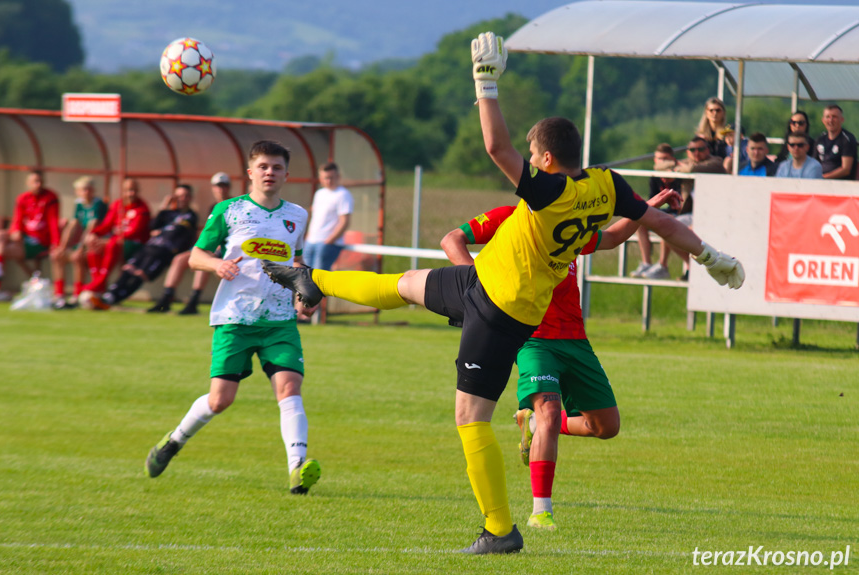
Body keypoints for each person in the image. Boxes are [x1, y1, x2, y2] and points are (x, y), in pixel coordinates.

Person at [262, 32, 744, 554]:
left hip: (499, 312)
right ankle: (315, 280)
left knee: (470, 419)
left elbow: (496, 147)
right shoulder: (605, 187)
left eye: (534, 157)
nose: (529, 164)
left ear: (545, 158)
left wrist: (485, 81)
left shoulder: (549, 192)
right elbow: (656, 222)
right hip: (480, 285)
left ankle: (500, 530)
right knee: (402, 285)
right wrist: (712, 258)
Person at [441, 188, 680, 530]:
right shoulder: (508, 216)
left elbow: (611, 237)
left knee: (606, 427)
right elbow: (452, 240)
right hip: (531, 337)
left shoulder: (566, 225)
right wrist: (484, 287)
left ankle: (535, 425)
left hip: (575, 339)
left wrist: (647, 207)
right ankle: (541, 512)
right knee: (550, 409)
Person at [144, 141, 322, 497]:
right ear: (250, 172)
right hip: (234, 319)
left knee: (289, 388)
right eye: (263, 166)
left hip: (279, 321)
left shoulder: (298, 215)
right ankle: (173, 441)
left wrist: (307, 291)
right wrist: (217, 264)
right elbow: (195, 255)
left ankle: (297, 470)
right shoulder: (229, 210)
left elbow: (296, 261)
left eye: (276, 167)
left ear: (287, 174)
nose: (269, 172)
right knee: (220, 400)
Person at [87, 184, 199, 310]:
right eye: (178, 196)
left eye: (185, 196)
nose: (182, 199)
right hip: (149, 247)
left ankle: (112, 299)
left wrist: (162, 232)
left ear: (190, 198)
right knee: (128, 268)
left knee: (140, 273)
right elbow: (152, 226)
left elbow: (180, 233)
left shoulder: (191, 216)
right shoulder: (167, 213)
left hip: (164, 251)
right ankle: (108, 296)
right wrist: (164, 206)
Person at [148, 172, 232, 315]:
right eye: (218, 186)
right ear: (213, 188)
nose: (221, 189)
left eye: (224, 186)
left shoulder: (234, 206)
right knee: (179, 259)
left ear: (229, 188)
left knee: (204, 261)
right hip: (211, 247)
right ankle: (167, 297)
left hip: (225, 249)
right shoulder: (213, 207)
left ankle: (194, 300)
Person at [643, 136, 725, 280]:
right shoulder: (685, 163)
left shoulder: (716, 162)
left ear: (708, 150)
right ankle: (690, 267)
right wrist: (677, 165)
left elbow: (694, 168)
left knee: (686, 231)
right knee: (666, 226)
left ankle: (687, 268)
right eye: (692, 150)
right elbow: (658, 166)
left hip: (713, 213)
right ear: (687, 152)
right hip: (691, 213)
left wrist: (677, 167)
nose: (696, 153)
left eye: (700, 149)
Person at [0, 170, 61, 301]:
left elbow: (53, 221)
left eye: (40, 181)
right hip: (24, 240)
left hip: (40, 242)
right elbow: (17, 220)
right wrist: (16, 231)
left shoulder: (50, 197)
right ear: (28, 183)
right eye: (35, 182)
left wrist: (56, 243)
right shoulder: (23, 198)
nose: (38, 184)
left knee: (0, 250)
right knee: (0, 235)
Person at [80, 178, 150, 298]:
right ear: (123, 191)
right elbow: (107, 225)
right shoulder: (117, 204)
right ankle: (98, 285)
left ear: (138, 191)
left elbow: (134, 232)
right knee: (93, 244)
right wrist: (94, 234)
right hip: (117, 241)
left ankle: (100, 282)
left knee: (111, 244)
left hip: (133, 244)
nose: (130, 193)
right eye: (128, 190)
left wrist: (110, 239)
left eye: (133, 190)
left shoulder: (142, 208)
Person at [51, 176, 109, 309]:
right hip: (84, 242)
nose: (86, 192)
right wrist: (62, 246)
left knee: (77, 257)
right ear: (77, 192)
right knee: (57, 255)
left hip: (96, 243)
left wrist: (80, 248)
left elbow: (92, 228)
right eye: (83, 190)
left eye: (88, 189)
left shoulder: (98, 204)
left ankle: (77, 294)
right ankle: (59, 293)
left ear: (93, 190)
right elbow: (73, 225)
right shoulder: (79, 204)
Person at [630, 144, 681, 278]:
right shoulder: (654, 176)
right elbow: (653, 200)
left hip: (676, 213)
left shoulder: (680, 176)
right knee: (638, 221)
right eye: (659, 159)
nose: (662, 162)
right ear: (654, 160)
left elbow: (682, 202)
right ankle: (646, 264)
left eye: (665, 159)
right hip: (661, 212)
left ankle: (662, 266)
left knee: (666, 221)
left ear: (673, 160)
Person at [303, 162, 353, 271]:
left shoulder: (343, 194)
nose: (328, 181)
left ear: (338, 177)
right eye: (325, 178)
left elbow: (344, 222)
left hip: (327, 243)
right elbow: (315, 218)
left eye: (331, 178)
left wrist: (330, 240)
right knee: (304, 276)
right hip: (311, 241)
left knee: (319, 278)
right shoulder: (319, 193)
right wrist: (308, 237)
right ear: (320, 178)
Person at [814, 104, 857, 180]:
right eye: (827, 117)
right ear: (823, 120)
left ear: (842, 120)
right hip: (820, 183)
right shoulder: (820, 139)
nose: (830, 120)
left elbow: (846, 169)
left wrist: (823, 177)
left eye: (834, 117)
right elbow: (813, 163)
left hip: (841, 185)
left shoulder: (847, 139)